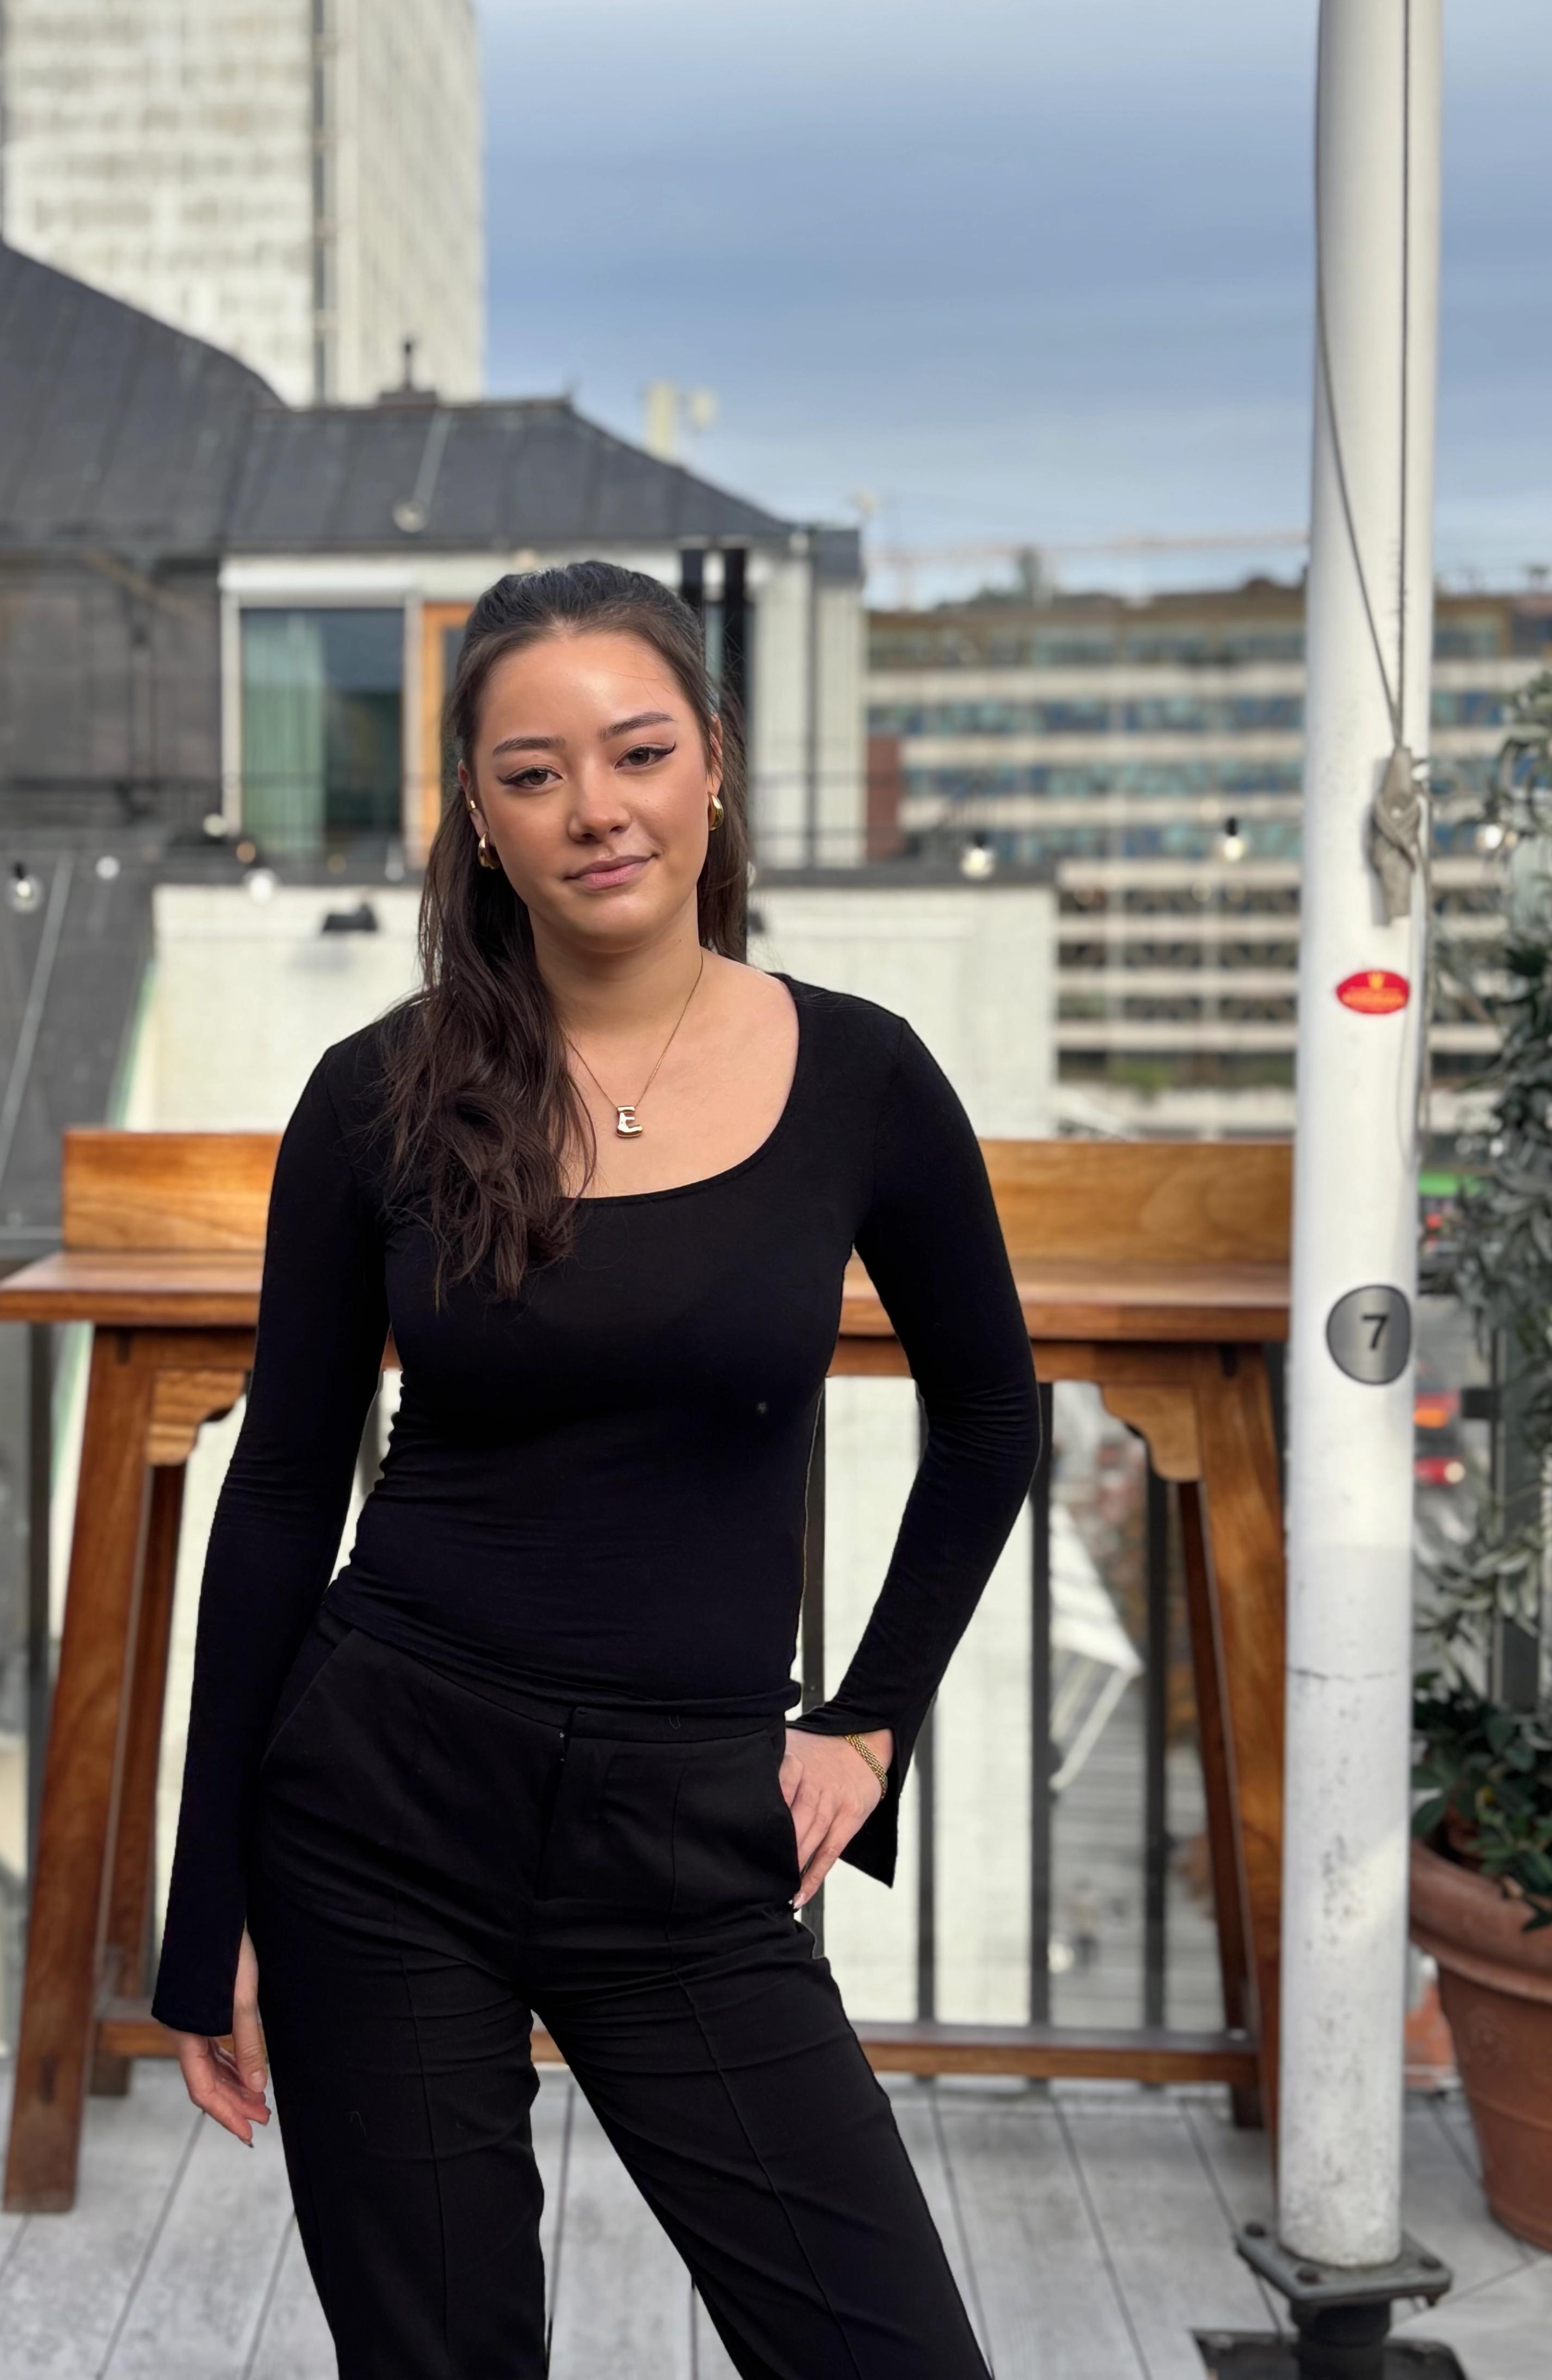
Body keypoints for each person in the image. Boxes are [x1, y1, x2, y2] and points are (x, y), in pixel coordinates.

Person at [155, 561, 1041, 2378]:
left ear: (713, 763)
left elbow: (991, 1416)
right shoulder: (378, 1094)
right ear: (478, 818)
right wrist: (203, 1908)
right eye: (534, 772)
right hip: (379, 1809)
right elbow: (283, 1489)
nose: (596, 808)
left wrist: (869, 1726)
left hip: (687, 1832)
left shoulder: (862, 1077)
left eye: (637, 753)